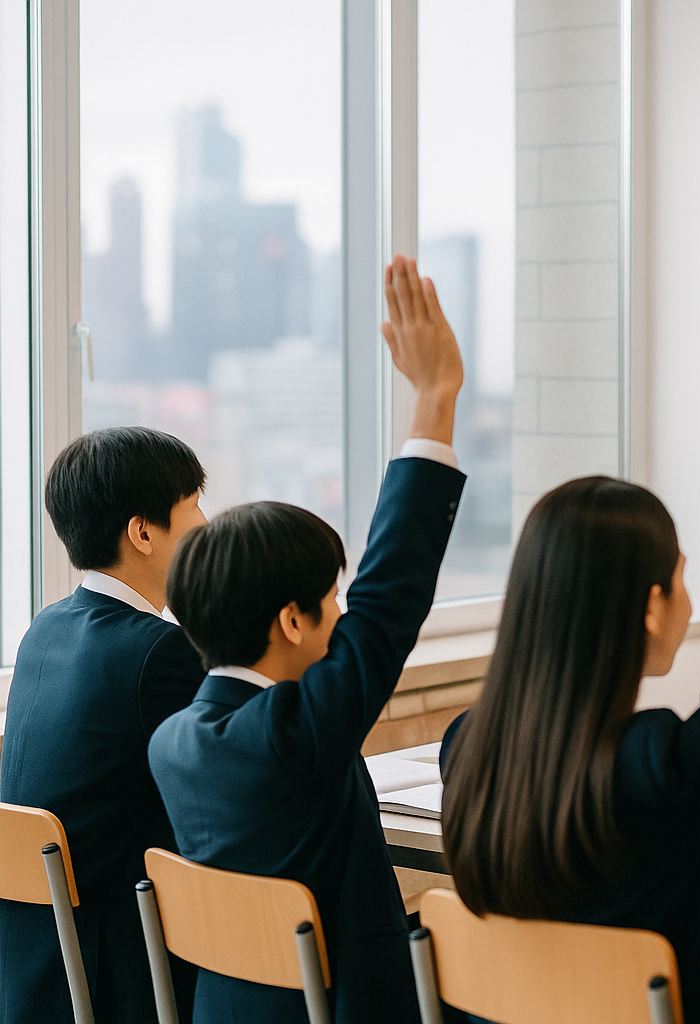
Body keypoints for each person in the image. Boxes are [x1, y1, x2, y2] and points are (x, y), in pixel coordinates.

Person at [439, 223, 700, 1024]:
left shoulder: (467, 751)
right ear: (651, 607)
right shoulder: (657, 771)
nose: (691, 599)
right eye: (684, 576)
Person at [147, 256, 465, 1024]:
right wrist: (434, 398)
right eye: (330, 602)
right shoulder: (293, 736)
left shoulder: (172, 741)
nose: (341, 616)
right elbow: (390, 599)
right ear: (292, 620)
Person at [0, 426, 206, 1024]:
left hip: (36, 968)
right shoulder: (157, 652)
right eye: (193, 508)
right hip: (125, 972)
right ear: (143, 532)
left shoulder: (47, 627)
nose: (207, 528)